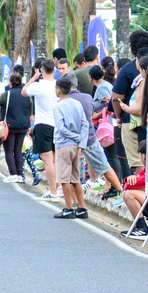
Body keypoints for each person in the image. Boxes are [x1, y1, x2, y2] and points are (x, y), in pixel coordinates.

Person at [68, 78, 122, 196]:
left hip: (74, 139)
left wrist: (98, 114)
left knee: (72, 174)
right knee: (105, 166)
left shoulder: (65, 101)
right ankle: (119, 190)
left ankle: (75, 202)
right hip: (89, 137)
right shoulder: (87, 97)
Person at [112, 31, 148, 173]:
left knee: (138, 159)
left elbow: (116, 97)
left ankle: (142, 185)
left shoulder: (128, 69)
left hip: (131, 120)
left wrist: (119, 116)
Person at [22, 59, 61, 201]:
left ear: (42, 71)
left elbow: (23, 92)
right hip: (57, 125)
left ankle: (53, 192)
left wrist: (34, 77)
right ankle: (56, 188)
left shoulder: (38, 86)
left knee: (48, 161)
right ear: (55, 70)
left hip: (43, 126)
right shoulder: (59, 85)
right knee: (55, 160)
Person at [52, 77, 89, 219]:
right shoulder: (77, 104)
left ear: (58, 90)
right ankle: (82, 208)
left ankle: (68, 208)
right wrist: (81, 142)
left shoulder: (58, 107)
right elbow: (85, 124)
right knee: (75, 178)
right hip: (76, 146)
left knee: (64, 179)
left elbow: (61, 128)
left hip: (63, 145)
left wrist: (74, 136)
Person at [0, 73, 30, 182]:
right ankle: (20, 175)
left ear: (11, 83)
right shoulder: (26, 94)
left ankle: (13, 173)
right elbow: (30, 107)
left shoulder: (7, 94)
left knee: (9, 150)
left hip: (10, 126)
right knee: (18, 150)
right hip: (23, 126)